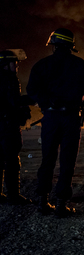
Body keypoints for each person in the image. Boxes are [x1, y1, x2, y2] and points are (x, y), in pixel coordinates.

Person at [26, 28, 84, 217]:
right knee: (67, 161)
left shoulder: (42, 65)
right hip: (71, 119)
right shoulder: (80, 65)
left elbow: (32, 90)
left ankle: (42, 201)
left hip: (50, 118)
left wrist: (47, 100)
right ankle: (61, 204)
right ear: (71, 46)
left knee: (47, 159)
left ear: (54, 45)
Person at [0, 49, 33, 205]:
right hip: (8, 127)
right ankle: (13, 195)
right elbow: (14, 102)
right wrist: (31, 100)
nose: (17, 66)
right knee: (12, 160)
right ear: (6, 64)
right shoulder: (10, 79)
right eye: (15, 63)